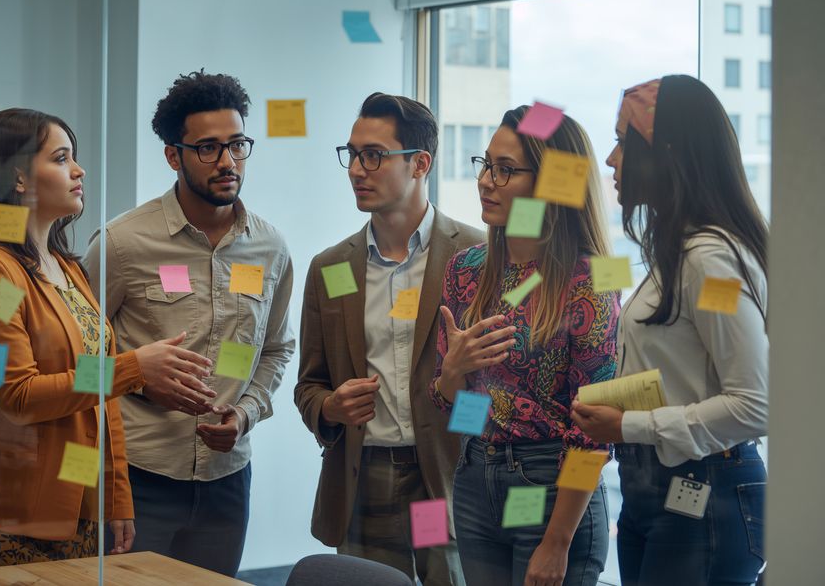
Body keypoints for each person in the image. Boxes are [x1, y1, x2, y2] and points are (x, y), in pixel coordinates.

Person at [0, 108, 214, 568]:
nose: (79, 170)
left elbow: (99, 399)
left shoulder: (66, 268)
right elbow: (17, 395)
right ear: (19, 179)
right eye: (62, 158)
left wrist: (116, 496)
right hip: (7, 513)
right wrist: (132, 369)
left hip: (76, 508)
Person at [83, 70, 295, 576]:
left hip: (228, 478)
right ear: (173, 155)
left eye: (237, 145)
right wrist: (134, 374)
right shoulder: (122, 244)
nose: (227, 162)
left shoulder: (271, 247)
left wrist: (245, 413)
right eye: (208, 148)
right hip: (137, 477)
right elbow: (72, 365)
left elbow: (276, 350)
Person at [572, 75, 768, 585]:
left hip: (703, 490)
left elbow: (754, 405)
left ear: (667, 153)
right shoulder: (678, 253)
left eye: (622, 142)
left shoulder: (710, 260)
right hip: (657, 489)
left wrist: (627, 426)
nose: (612, 161)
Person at [294, 92, 483, 585]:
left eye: (373, 155)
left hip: (441, 476)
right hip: (364, 478)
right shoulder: (331, 268)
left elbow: (501, 385)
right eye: (352, 155)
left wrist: (460, 414)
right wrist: (330, 408)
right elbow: (308, 385)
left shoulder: (476, 258)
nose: (357, 169)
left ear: (421, 163)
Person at [431, 106, 618, 586]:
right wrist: (454, 374)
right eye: (485, 164)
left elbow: (593, 433)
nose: (486, 181)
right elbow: (452, 402)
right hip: (476, 477)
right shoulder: (466, 268)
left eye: (506, 169)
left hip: (553, 489)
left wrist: (557, 543)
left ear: (552, 183)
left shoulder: (591, 279)